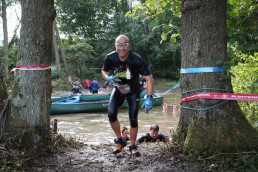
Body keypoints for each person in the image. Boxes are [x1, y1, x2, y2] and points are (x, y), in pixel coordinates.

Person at [101, 35, 154, 156]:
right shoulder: (110, 57)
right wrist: (107, 77)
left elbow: (149, 78)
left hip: (133, 91)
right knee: (111, 114)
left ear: (129, 45)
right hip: (118, 88)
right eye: (119, 44)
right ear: (115, 45)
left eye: (124, 44)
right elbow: (104, 70)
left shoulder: (136, 59)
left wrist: (149, 97)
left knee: (133, 119)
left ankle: (133, 146)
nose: (122, 48)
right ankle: (120, 141)